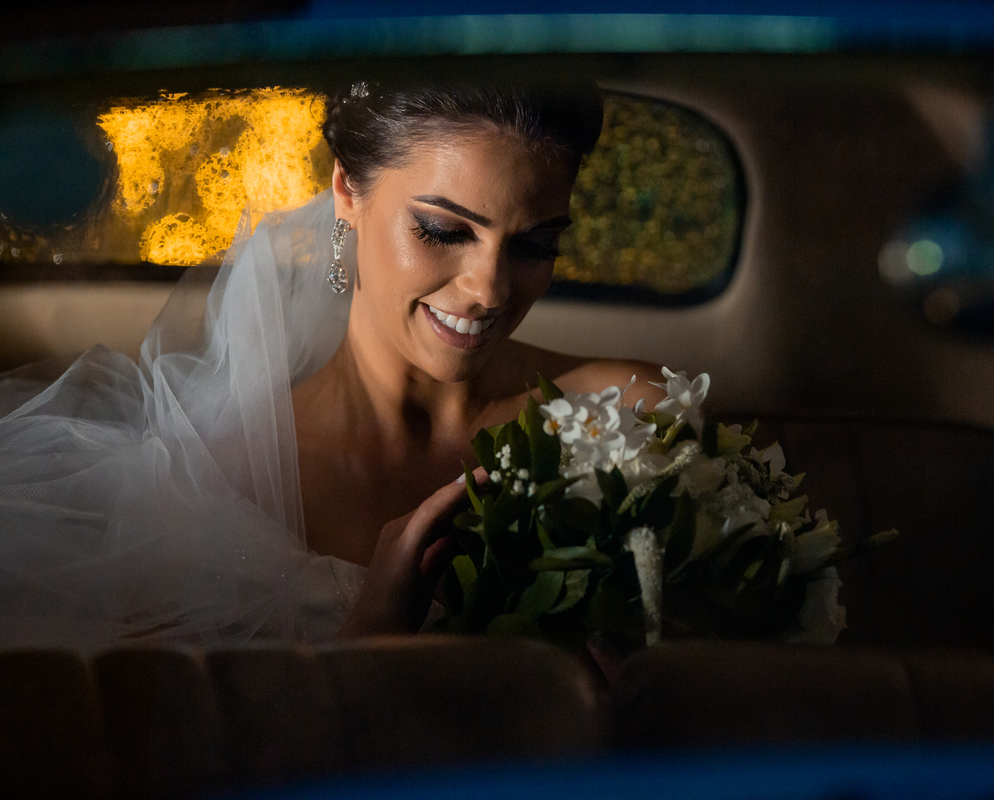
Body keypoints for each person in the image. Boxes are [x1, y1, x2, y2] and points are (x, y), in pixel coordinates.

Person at [0, 81, 664, 648]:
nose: (489, 289)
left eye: (535, 244)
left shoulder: (624, 413)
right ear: (347, 188)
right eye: (442, 230)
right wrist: (375, 627)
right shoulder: (216, 479)